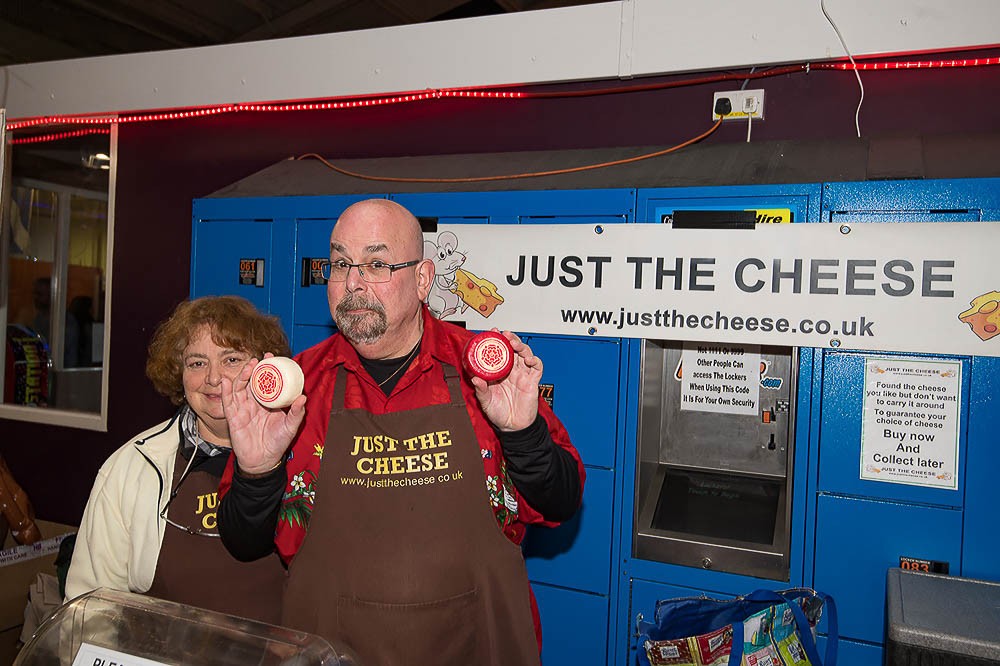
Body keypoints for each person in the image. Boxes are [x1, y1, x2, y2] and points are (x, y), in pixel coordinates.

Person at [218, 199, 585, 665]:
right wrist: (257, 472)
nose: (353, 283)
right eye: (340, 264)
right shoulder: (299, 389)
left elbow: (562, 502)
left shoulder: (484, 374)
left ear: (423, 279)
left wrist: (522, 433)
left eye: (376, 264)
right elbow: (243, 544)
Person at [64, 296, 289, 625]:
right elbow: (90, 609)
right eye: (197, 363)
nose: (214, 378)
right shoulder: (132, 467)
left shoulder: (304, 456)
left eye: (231, 359)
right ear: (179, 374)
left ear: (264, 369)